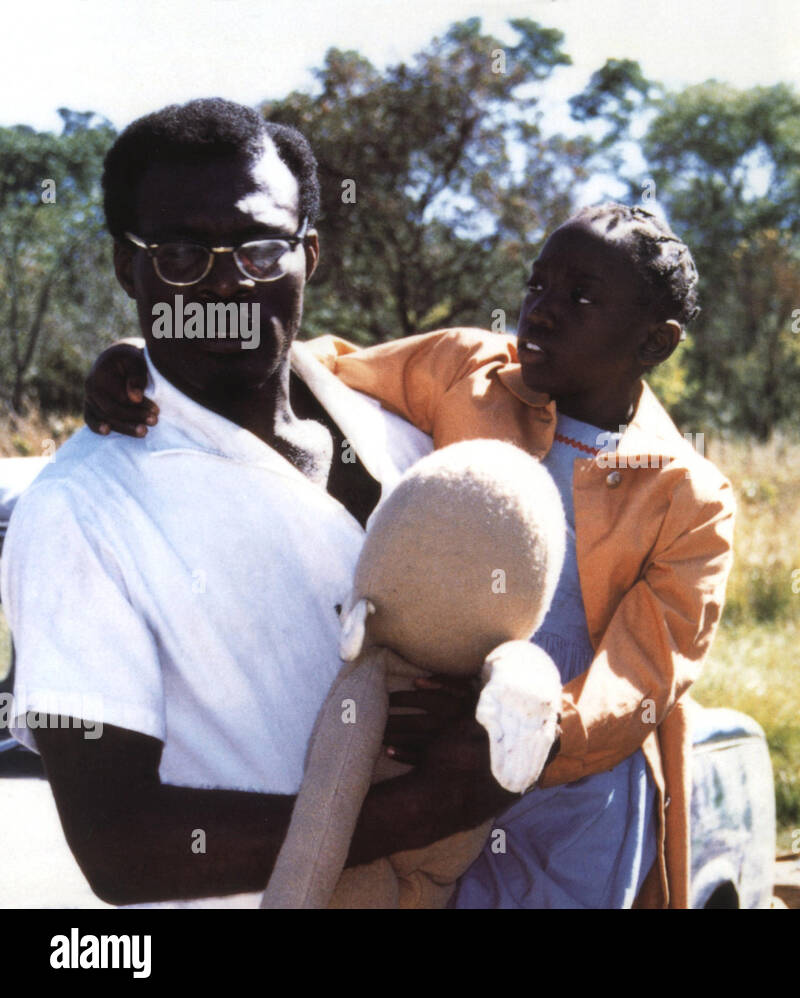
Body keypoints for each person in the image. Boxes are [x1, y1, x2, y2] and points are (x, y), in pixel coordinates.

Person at [85, 203, 736, 908]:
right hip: (421, 762)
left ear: (656, 341)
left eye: (581, 297)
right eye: (538, 285)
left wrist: (525, 735)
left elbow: (644, 672)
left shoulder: (689, 495)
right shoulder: (469, 371)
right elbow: (314, 371)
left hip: (570, 798)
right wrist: (153, 361)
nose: (543, 312)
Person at [5, 97, 503, 906]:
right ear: (125, 267)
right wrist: (429, 808)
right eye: (179, 254)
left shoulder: (402, 441)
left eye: (262, 248)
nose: (226, 282)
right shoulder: (79, 511)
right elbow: (122, 849)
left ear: (311, 251)